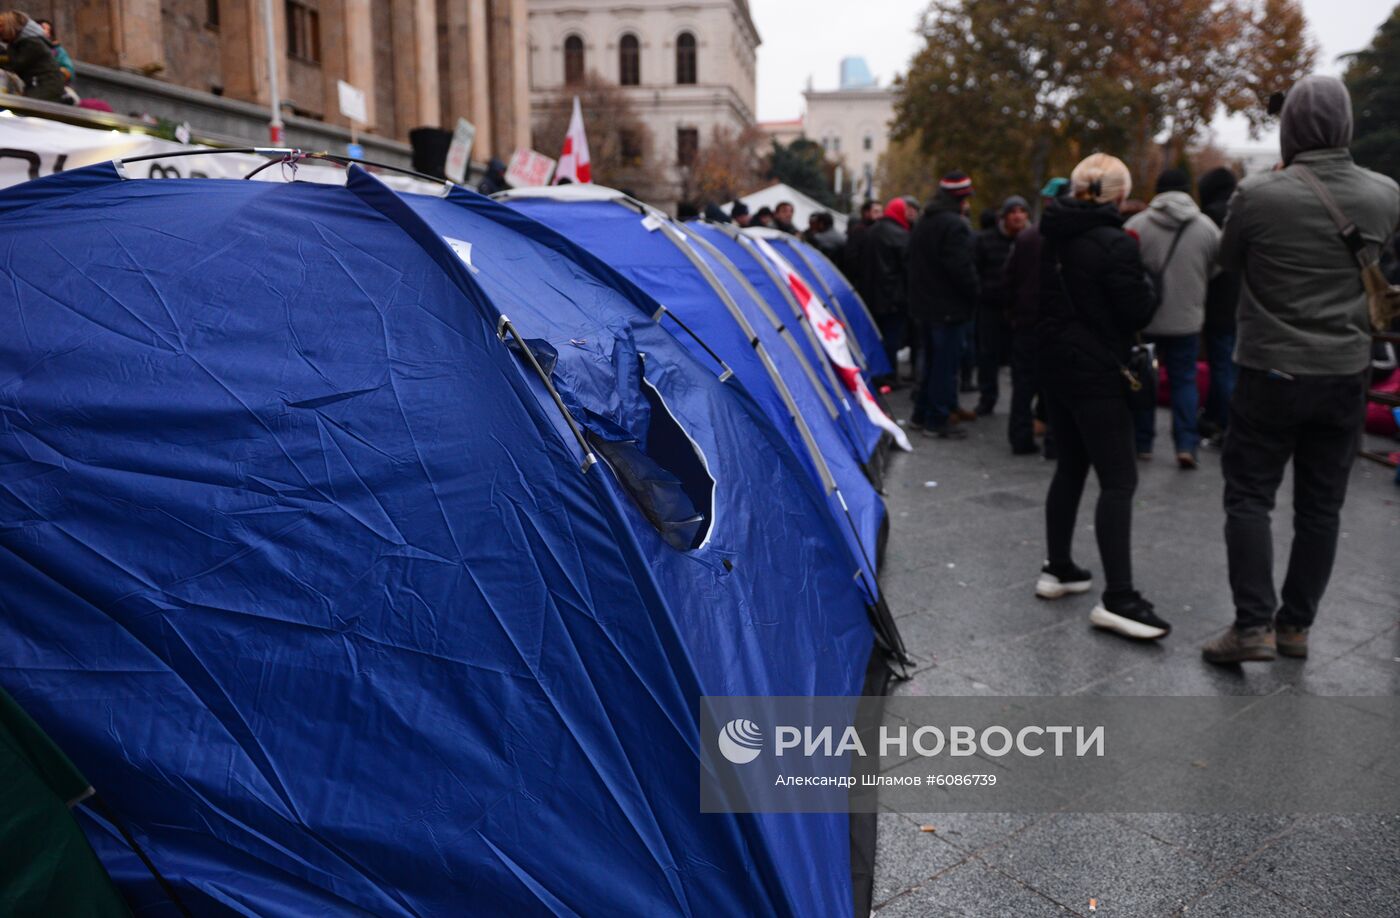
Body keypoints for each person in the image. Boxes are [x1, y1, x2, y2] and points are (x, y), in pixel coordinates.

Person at [1202, 75, 1400, 664]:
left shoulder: (1259, 196)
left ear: (1289, 127)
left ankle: (1251, 627)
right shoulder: (1385, 194)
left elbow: (1227, 259)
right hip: (1344, 372)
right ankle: (1295, 629)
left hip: (1270, 370)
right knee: (1321, 506)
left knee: (1249, 497)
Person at [1037, 153, 1168, 640]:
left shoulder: (1044, 236)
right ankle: (1119, 598)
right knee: (1118, 480)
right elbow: (1136, 310)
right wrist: (1150, 285)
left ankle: (1059, 567)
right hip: (1099, 372)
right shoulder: (1117, 244)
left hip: (1057, 368)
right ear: (1119, 193)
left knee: (1069, 468)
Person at [1125, 168, 1221, 469]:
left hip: (1147, 319)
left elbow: (1123, 266)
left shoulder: (1137, 225)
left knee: (1143, 379)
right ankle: (1186, 444)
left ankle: (1142, 442)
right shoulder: (1206, 228)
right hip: (1187, 319)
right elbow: (1217, 268)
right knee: (1184, 381)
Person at [908, 170, 980, 439]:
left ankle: (922, 414)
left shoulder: (925, 221)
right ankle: (937, 418)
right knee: (944, 366)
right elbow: (960, 268)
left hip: (925, 306)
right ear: (962, 198)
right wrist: (975, 292)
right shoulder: (954, 225)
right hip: (948, 308)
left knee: (932, 363)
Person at [1004, 177, 1069, 455]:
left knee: (1024, 384)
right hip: (1056, 323)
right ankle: (1055, 441)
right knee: (1055, 385)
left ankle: (1021, 437)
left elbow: (1009, 280)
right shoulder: (1068, 238)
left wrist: (1014, 313)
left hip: (1027, 322)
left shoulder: (1027, 237)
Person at [1197, 167, 1242, 445]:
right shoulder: (1242, 212)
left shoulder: (1208, 218)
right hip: (1244, 302)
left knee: (1221, 366)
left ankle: (1225, 422)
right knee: (1232, 367)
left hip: (1217, 302)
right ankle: (1216, 416)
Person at [973, 196, 1029, 416]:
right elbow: (975, 270)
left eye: (1022, 211)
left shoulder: (1030, 240)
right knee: (988, 356)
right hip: (991, 308)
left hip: (1019, 310)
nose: (1018, 216)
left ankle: (1021, 403)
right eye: (1013, 212)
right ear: (1004, 217)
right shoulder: (986, 240)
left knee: (1020, 358)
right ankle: (987, 398)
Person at [861, 196, 913, 383]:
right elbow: (908, 268)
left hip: (871, 294)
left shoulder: (871, 232)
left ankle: (877, 372)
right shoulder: (901, 235)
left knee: (876, 335)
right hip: (894, 296)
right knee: (892, 337)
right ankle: (889, 375)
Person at [0, 11, 65, 103]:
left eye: (1, 26)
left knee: (28, 110)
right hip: (36, 84)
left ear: (10, 26)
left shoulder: (31, 43)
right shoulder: (19, 42)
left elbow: (16, 64)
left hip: (45, 85)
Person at [844, 199, 881, 287]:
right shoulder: (859, 231)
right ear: (866, 213)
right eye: (876, 212)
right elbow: (852, 258)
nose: (880, 215)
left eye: (881, 212)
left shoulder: (877, 231)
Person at [36, 18, 71, 83]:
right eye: (43, 28)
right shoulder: (27, 46)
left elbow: (68, 69)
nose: (46, 32)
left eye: (49, 30)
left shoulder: (57, 50)